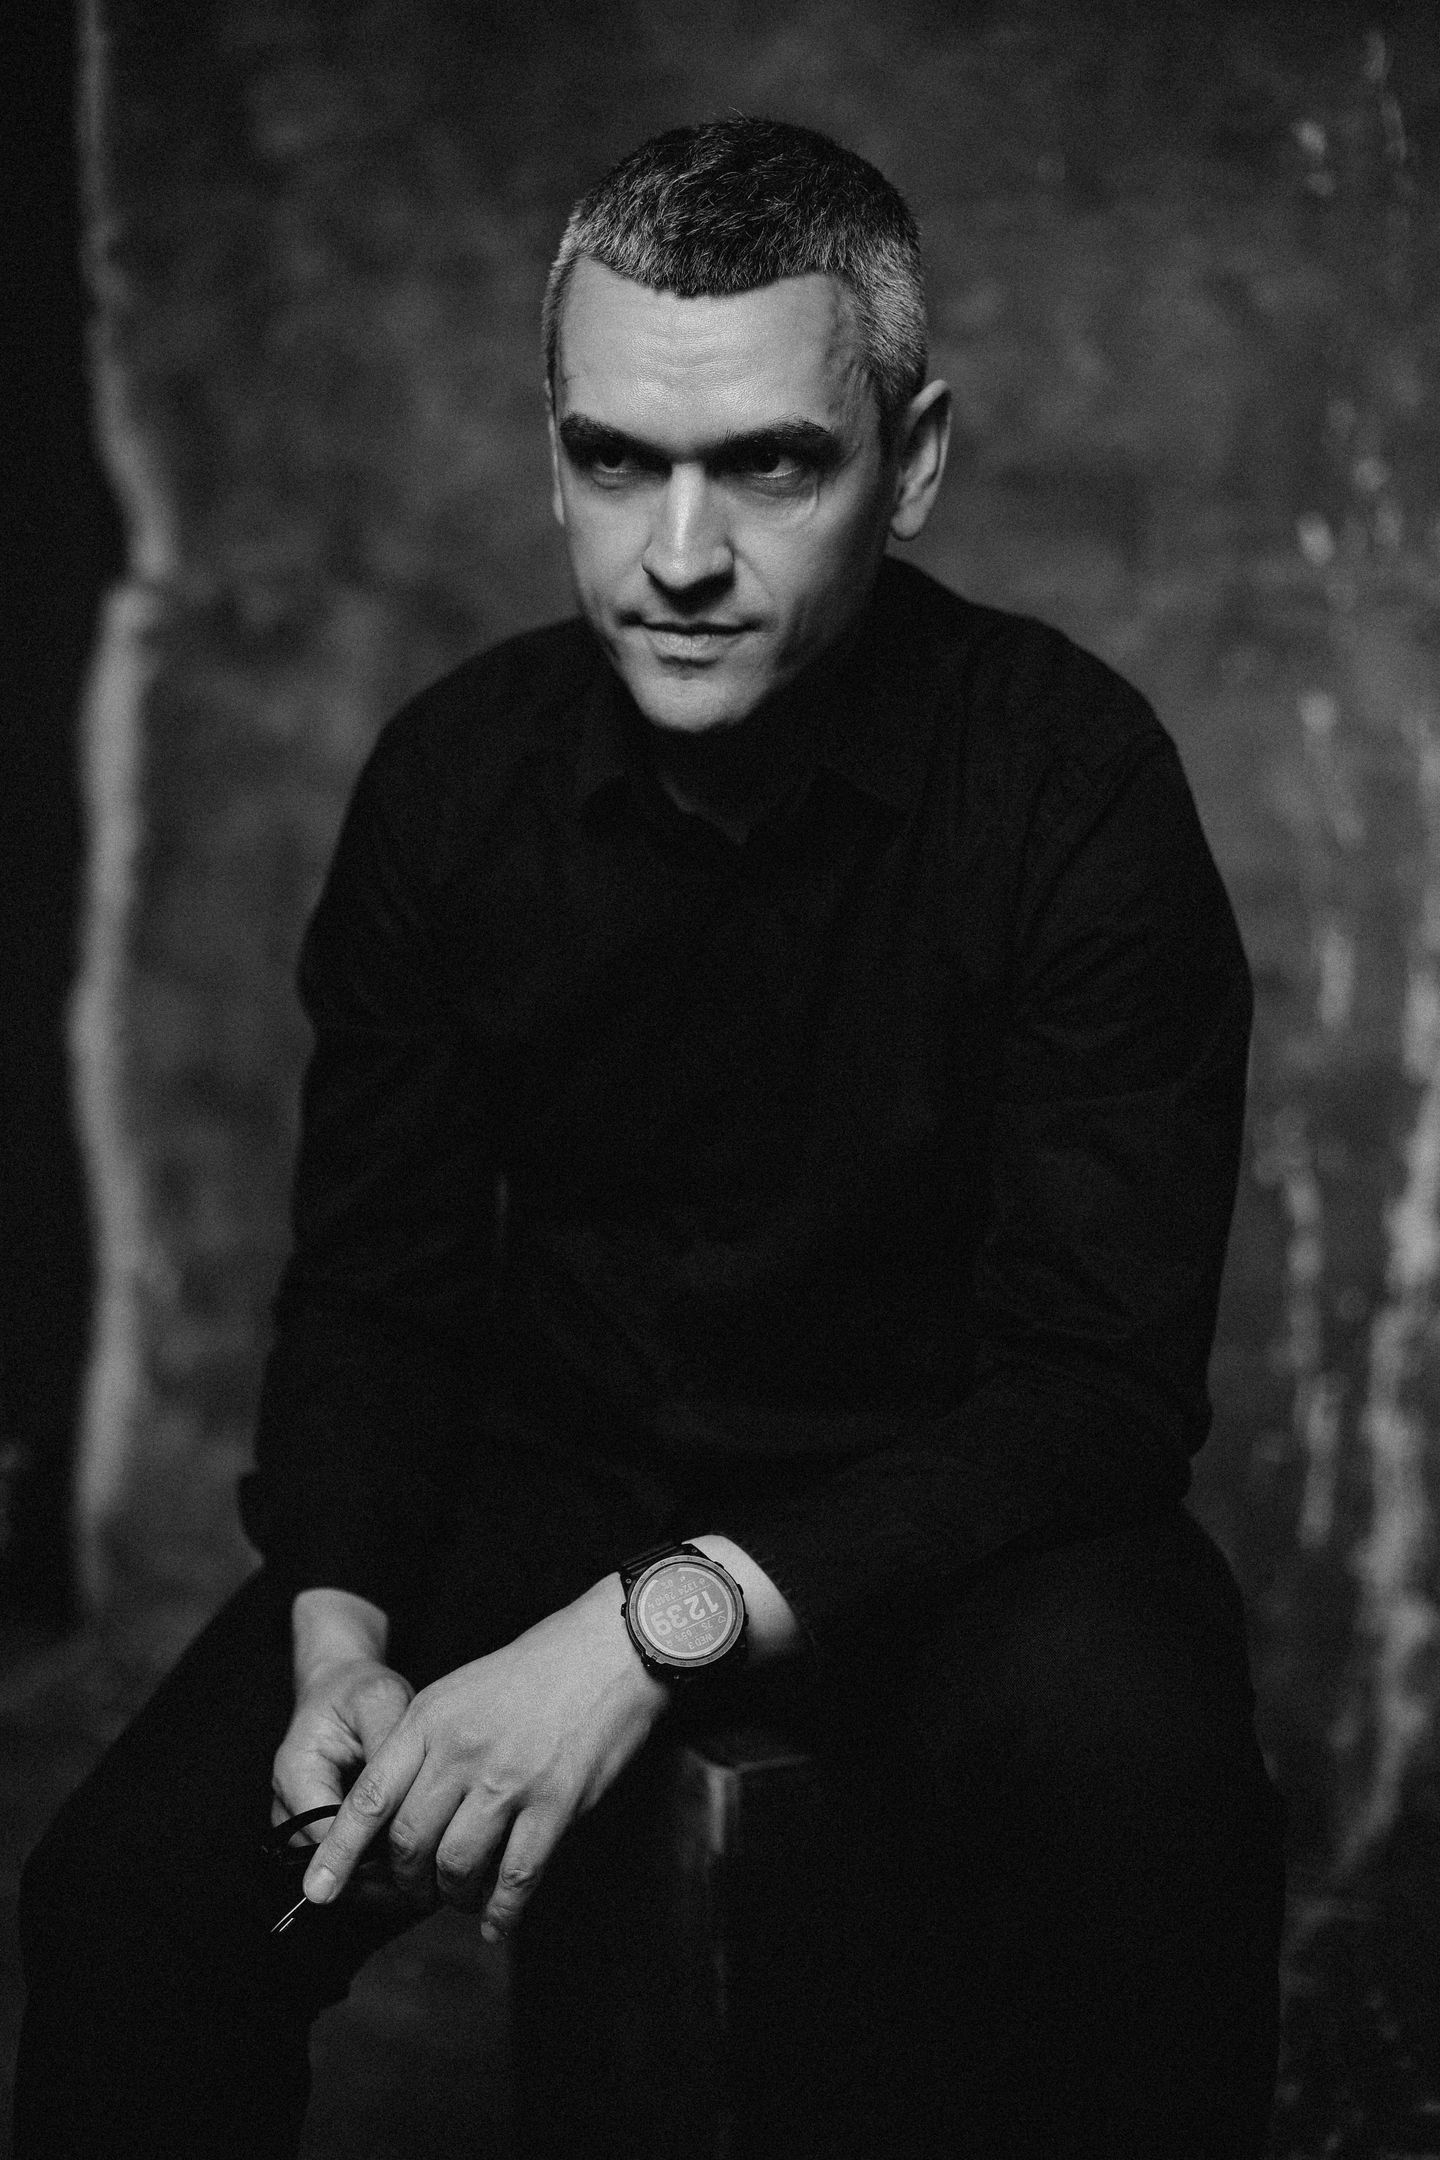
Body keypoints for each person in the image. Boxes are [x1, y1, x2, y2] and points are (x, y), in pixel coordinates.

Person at [15, 116, 1285, 2157]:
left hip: (958, 1518)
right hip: (557, 1475)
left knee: (1134, 1785)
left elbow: (1097, 1393)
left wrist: (638, 1632)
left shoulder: (1071, 787)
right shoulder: (453, 784)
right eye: (617, 461)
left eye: (770, 465)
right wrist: (342, 1637)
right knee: (128, 1910)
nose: (678, 556)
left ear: (912, 462)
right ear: (554, 456)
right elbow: (378, 1290)